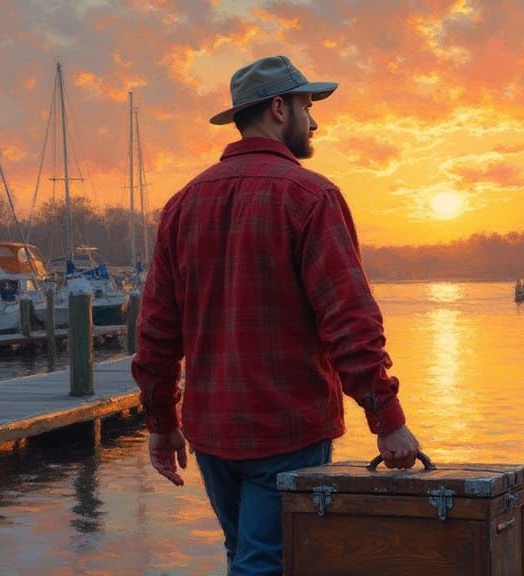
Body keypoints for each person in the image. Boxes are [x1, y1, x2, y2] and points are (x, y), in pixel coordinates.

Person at [131, 55, 420, 575]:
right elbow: (350, 321)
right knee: (268, 563)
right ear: (279, 109)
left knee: (243, 555)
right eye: (308, 108)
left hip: (212, 430)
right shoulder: (311, 197)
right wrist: (388, 420)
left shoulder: (182, 204)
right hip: (287, 428)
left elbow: (156, 330)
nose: (314, 123)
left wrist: (162, 421)